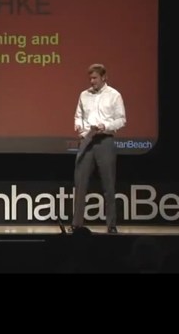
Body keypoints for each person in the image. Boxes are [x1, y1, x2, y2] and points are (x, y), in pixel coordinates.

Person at [72, 63, 126, 234]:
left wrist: (106, 126)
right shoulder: (84, 95)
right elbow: (78, 116)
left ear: (104, 77)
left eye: (95, 78)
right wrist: (79, 125)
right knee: (80, 184)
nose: (92, 81)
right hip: (87, 140)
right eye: (90, 78)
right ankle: (76, 225)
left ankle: (111, 225)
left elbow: (121, 120)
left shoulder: (114, 95)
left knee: (108, 185)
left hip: (105, 141)